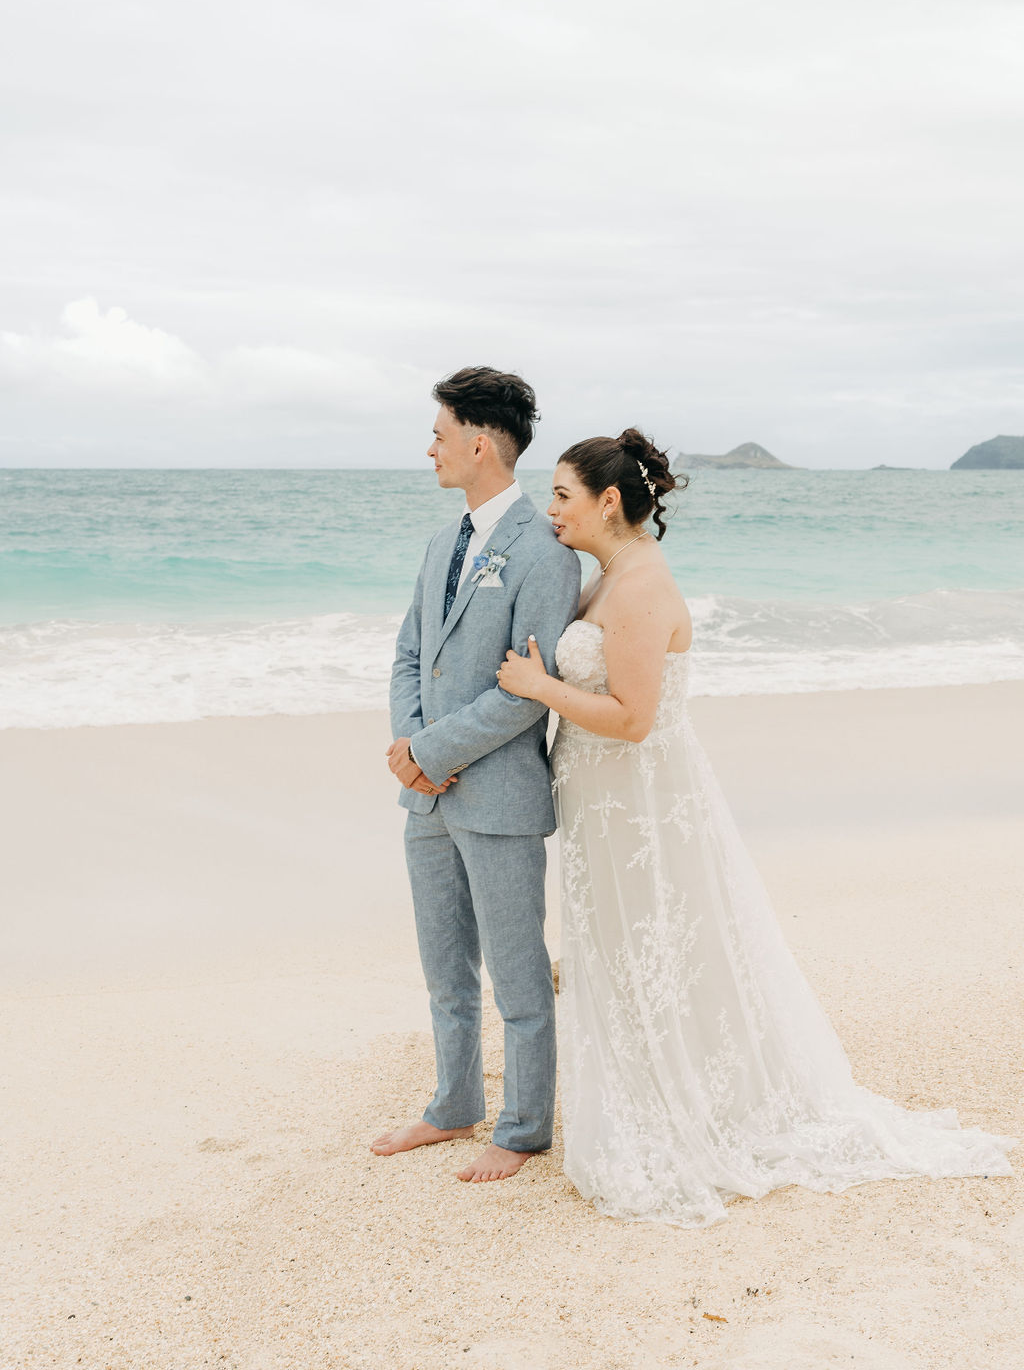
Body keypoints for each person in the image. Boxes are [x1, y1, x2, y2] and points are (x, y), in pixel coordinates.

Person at [496, 427, 1015, 1226]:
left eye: (562, 494)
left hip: (637, 801)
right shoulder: (610, 577)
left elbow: (632, 718)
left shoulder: (638, 588)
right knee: (630, 950)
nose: (551, 509)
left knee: (653, 950)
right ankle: (655, 1094)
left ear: (607, 501)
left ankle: (683, 1112)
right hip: (606, 805)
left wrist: (539, 687)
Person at [374, 367, 581, 1183]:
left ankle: (524, 1127)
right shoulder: (439, 543)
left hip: (496, 797)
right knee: (443, 967)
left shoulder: (544, 551)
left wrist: (433, 754)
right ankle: (453, 1105)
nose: (429, 446)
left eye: (438, 432)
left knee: (517, 972)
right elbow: (408, 655)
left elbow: (525, 696)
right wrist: (410, 749)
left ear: (480, 442)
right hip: (425, 797)